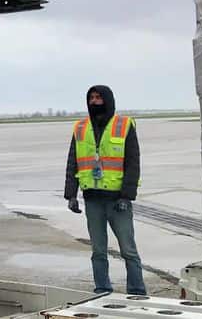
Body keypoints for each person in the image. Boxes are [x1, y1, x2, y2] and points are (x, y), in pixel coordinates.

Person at [65, 85, 146, 295]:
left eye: (98, 97)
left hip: (118, 199)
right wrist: (71, 195)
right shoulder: (80, 128)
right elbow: (72, 162)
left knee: (128, 250)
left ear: (108, 100)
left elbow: (133, 163)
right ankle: (102, 289)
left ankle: (137, 291)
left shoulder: (124, 125)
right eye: (91, 97)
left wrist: (127, 196)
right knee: (98, 251)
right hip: (92, 199)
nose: (94, 101)